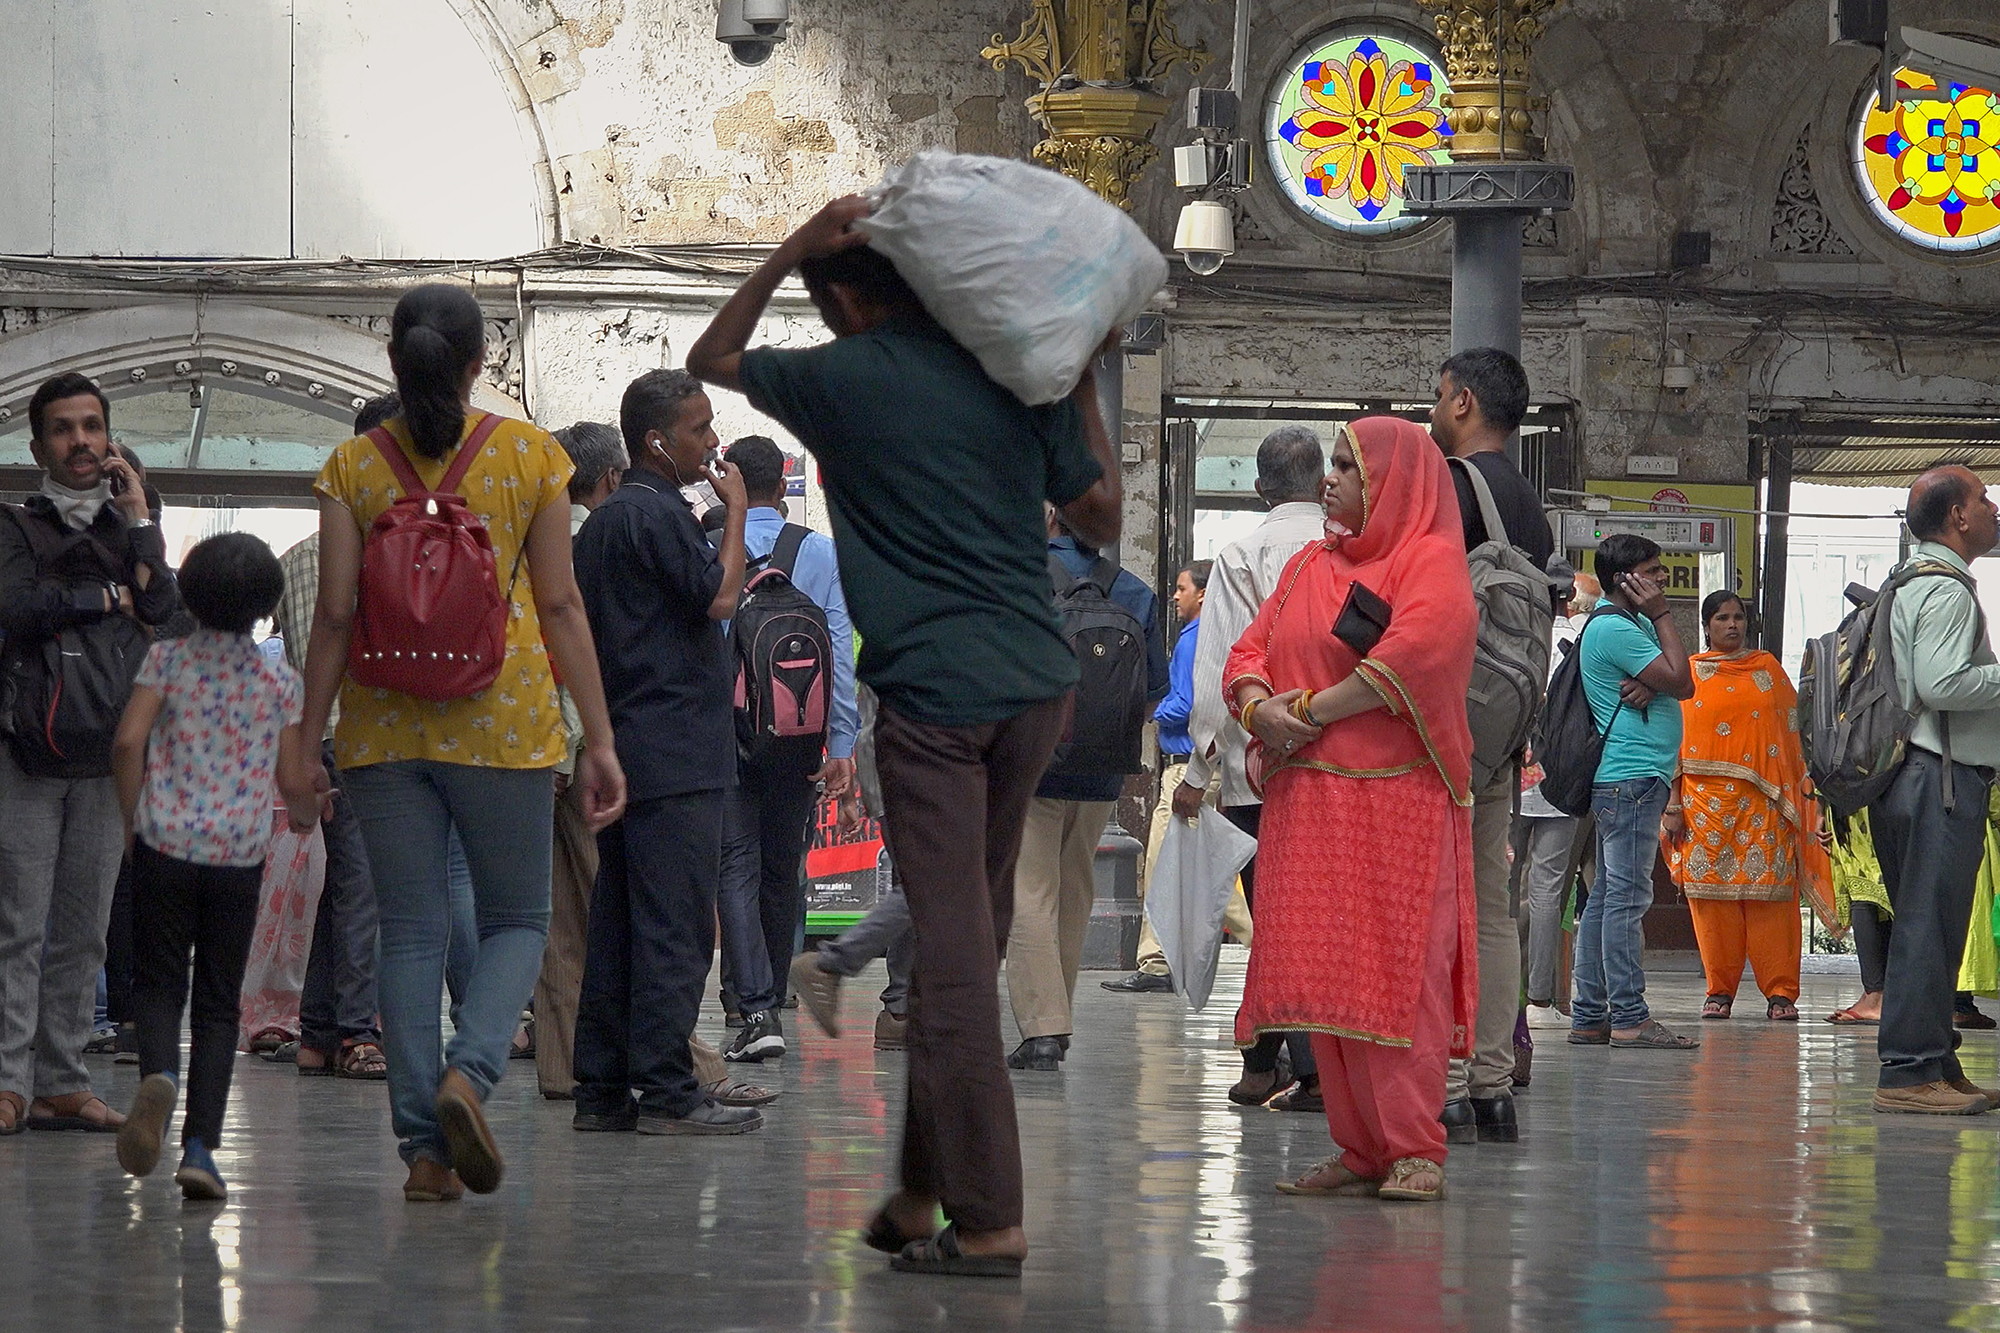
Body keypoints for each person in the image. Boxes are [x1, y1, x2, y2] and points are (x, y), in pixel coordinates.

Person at [687, 196, 1120, 1276]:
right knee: (956, 933)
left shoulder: (838, 380)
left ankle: (990, 1219)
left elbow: (713, 352)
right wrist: (1079, 379)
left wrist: (790, 245)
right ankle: (920, 1193)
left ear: (842, 295)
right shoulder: (1018, 368)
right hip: (1036, 691)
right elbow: (1102, 515)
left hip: (934, 702)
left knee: (958, 968)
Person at [290, 284, 627, 1201]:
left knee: (408, 930)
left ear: (395, 360)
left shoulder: (351, 467)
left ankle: (424, 1155)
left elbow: (331, 614)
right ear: (481, 361)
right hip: (505, 718)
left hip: (380, 722)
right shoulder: (532, 457)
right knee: (519, 919)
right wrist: (597, 737)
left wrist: (299, 739)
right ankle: (468, 1075)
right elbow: (559, 605)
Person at [1224, 417, 1478, 1203]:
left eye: (1348, 466)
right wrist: (1259, 707)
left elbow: (1409, 658)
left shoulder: (1429, 562)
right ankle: (1360, 1146)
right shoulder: (1308, 563)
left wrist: (1303, 711)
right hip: (1308, 804)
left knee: (1400, 981)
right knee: (1327, 984)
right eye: (1331, 464)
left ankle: (1414, 1148)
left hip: (1397, 804)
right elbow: (1247, 650)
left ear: (1394, 480)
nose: (1330, 479)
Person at [569, 370, 760, 1135]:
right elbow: (718, 597)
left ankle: (603, 1089)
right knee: (678, 926)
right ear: (657, 441)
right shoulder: (659, 513)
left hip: (626, 740)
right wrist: (738, 512)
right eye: (701, 429)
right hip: (678, 746)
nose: (713, 443)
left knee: (620, 922)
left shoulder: (605, 523)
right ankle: (669, 1091)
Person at [0, 372, 182, 1136]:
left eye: (92, 427)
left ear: (110, 439)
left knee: (84, 926)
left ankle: (62, 1081)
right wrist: (108, 598)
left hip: (108, 754)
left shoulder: (126, 529)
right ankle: (9, 1079)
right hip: (27, 752)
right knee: (20, 923)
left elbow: (167, 611)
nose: (81, 441)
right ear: (39, 444)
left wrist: (140, 518)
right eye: (65, 429)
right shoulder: (14, 525)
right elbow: (14, 608)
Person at [111, 533, 320, 1199]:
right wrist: (310, 810)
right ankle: (200, 1146)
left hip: (165, 843)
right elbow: (291, 778)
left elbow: (127, 740)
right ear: (266, 608)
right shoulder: (279, 679)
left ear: (191, 593)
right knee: (219, 1002)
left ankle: (157, 1076)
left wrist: (132, 818)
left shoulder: (166, 659)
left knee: (158, 982)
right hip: (237, 854)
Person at [1175, 425, 1329, 1110]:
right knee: (1319, 916)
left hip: (1253, 768)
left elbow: (1218, 674)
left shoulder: (1241, 556)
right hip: (1335, 763)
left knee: (1277, 917)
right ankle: (1262, 1060)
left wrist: (1197, 773)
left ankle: (1310, 1067)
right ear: (1325, 480)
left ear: (1260, 488)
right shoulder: (1345, 546)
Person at [1430, 346, 1555, 1144]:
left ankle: (1440, 1081)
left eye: (1439, 397)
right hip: (1504, 726)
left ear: (1465, 401)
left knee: (1439, 901)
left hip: (1445, 721)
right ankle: (1491, 1083)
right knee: (1490, 908)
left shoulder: (1451, 486)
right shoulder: (1529, 503)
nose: (1434, 410)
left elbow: (1423, 600)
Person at [1001, 508, 1167, 1070]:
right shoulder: (1135, 592)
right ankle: (1056, 1019)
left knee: (1030, 893)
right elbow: (1151, 695)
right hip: (1101, 773)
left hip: (1030, 767)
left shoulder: (1018, 578)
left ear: (1047, 515)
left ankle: (1044, 1028)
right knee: (1075, 893)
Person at [716, 434, 857, 1065]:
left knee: (736, 865)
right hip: (801, 739)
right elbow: (840, 651)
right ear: (784, 482)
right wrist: (843, 743)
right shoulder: (820, 551)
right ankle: (770, 990)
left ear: (738, 482)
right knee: (783, 870)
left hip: (730, 737)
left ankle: (754, 1007)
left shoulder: (714, 541)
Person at [274, 392, 398, 1082]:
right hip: (365, 733)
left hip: (315, 734)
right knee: (364, 890)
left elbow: (297, 652)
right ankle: (356, 1031)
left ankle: (317, 1031)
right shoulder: (383, 550)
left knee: (337, 889)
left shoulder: (296, 557)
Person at [1869, 466, 2000, 1115]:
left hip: (1911, 775)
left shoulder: (1909, 578)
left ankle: (1936, 1063)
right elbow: (1942, 684)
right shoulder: (1945, 591)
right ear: (1957, 517)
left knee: (1934, 924)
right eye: (1982, 497)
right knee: (1927, 924)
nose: (1992, 505)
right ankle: (1908, 1073)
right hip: (1939, 776)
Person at [1663, 590, 1834, 1022]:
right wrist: (1672, 802)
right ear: (1706, 625)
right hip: (1702, 806)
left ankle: (1780, 993)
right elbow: (1672, 744)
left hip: (1766, 805)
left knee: (1771, 899)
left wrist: (1803, 801)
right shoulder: (1687, 676)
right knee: (1712, 901)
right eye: (1722, 618)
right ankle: (1718, 991)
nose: (1732, 625)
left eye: (1738, 617)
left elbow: (1794, 738)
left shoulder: (1768, 671)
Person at [1571, 534, 1697, 1051]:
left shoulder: (1626, 626)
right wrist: (1664, 616)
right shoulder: (1618, 628)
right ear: (1625, 580)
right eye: (1653, 571)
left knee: (1606, 896)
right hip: (1632, 779)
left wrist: (1656, 681)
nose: (1662, 578)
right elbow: (1683, 680)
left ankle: (1589, 1014)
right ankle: (1629, 1016)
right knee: (1626, 897)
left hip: (1631, 779)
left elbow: (1667, 678)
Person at [1104, 560, 1254, 992]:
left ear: (1203, 594)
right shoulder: (1218, 634)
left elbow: (1187, 701)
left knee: (1161, 863)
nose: (1175, 595)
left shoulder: (1194, 638)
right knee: (1211, 866)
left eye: (1182, 588)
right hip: (1207, 766)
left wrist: (1145, 710)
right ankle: (1263, 942)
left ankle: (1155, 963)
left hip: (1187, 768)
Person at [792, 680, 916, 1052]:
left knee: (919, 884)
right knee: (932, 883)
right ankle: (834, 964)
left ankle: (901, 1010)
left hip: (901, 758)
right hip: (920, 763)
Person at [1517, 573, 1599, 1030]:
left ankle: (1503, 993)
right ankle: (1541, 997)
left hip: (1511, 777)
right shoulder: (1585, 642)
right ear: (1571, 600)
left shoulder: (1520, 634)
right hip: (1564, 782)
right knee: (1549, 890)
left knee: (1505, 889)